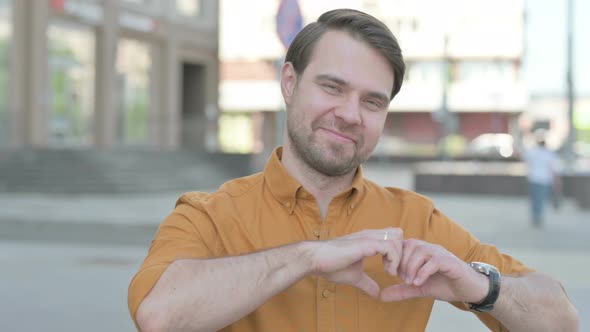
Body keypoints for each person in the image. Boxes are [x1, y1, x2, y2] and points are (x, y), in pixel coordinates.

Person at [128, 9, 578, 332]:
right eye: (332, 87)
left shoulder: (417, 221)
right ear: (290, 82)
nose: (350, 114)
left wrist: (478, 285)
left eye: (372, 101)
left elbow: (561, 321)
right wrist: (306, 257)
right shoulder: (207, 215)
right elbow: (159, 315)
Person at [522, 129, 561, 227]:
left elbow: (526, 162)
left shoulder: (532, 152)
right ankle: (537, 216)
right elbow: (553, 169)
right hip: (544, 180)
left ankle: (535, 216)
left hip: (533, 179)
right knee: (541, 199)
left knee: (535, 198)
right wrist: (557, 181)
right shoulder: (549, 153)